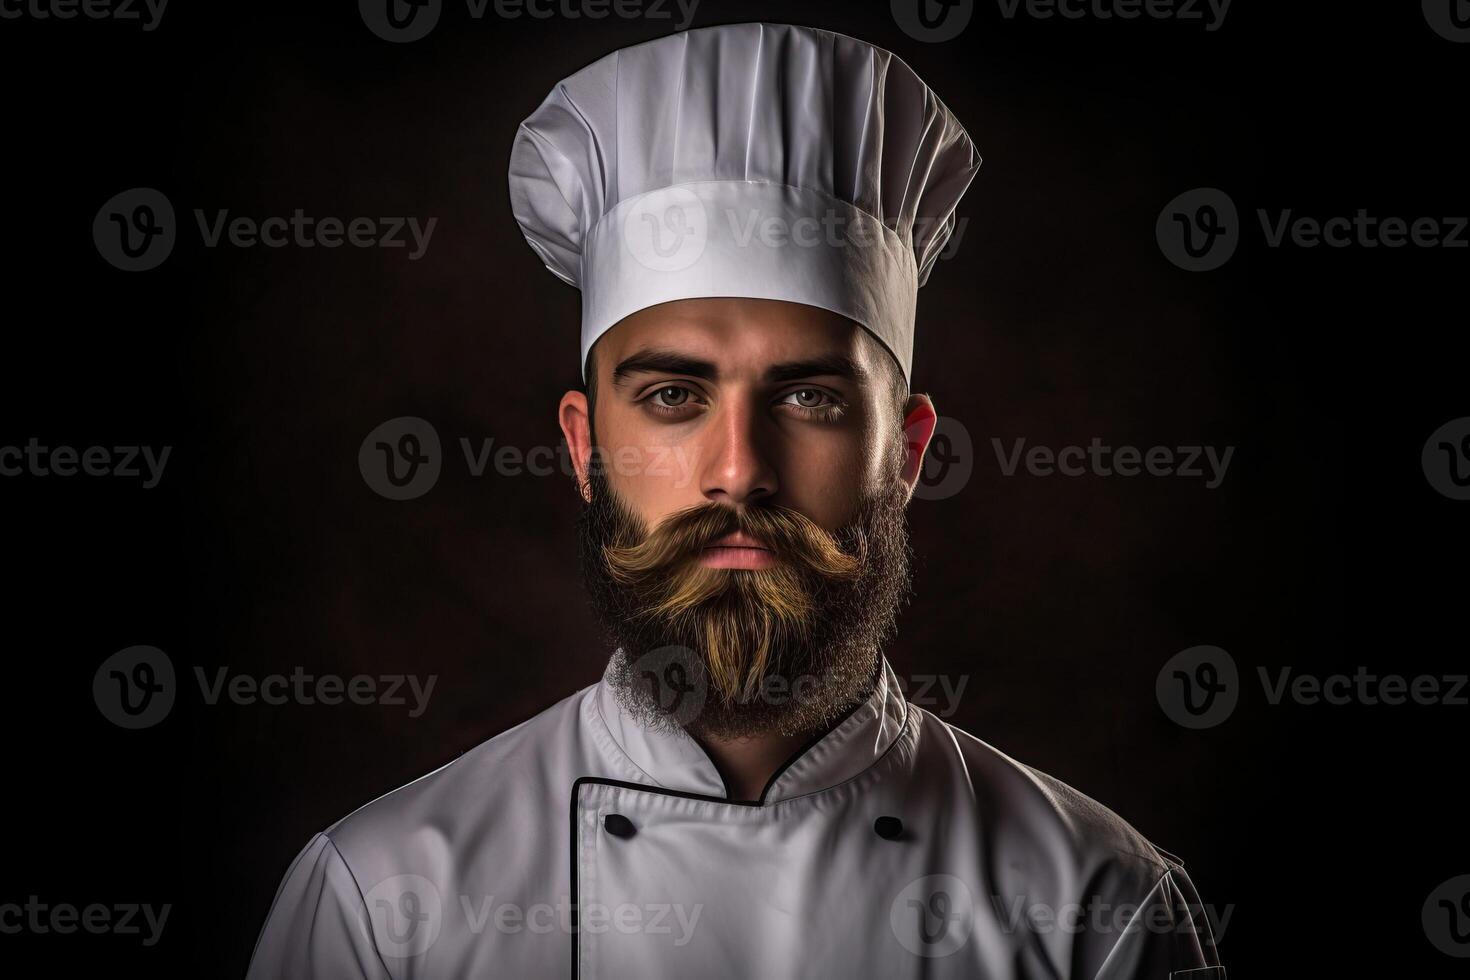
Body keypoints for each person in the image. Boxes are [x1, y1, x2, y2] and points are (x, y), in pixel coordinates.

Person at [245, 22, 1226, 979]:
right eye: (674, 396)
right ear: (587, 446)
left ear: (908, 450)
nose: (739, 469)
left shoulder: (1100, 909)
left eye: (810, 396)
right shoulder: (381, 902)